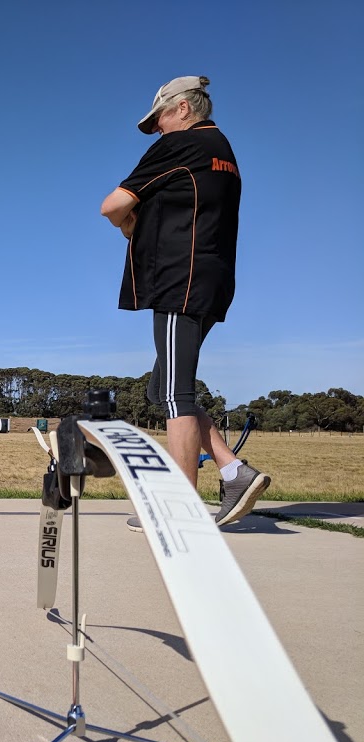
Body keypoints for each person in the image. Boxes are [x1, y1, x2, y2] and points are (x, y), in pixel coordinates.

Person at [100, 76, 270, 531]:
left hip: (180, 281)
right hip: (211, 279)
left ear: (181, 109)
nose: (156, 129)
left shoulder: (181, 145)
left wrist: (129, 225)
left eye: (158, 119)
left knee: (175, 393)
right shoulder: (222, 149)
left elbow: (112, 205)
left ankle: (180, 509)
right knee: (163, 387)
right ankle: (233, 471)